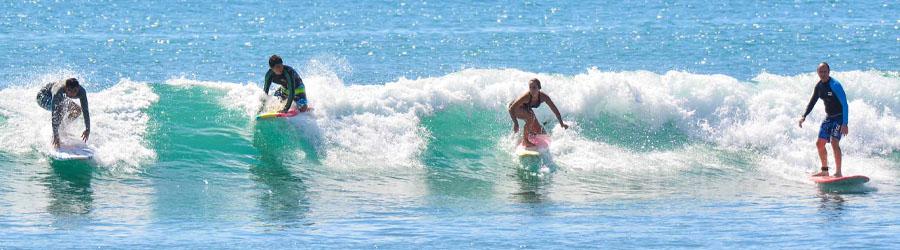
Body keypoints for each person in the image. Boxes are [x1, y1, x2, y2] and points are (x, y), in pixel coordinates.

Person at [798, 62, 849, 177]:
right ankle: (825, 170)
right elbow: (812, 102)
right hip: (829, 118)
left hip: (839, 117)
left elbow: (845, 105)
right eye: (821, 72)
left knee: (834, 142)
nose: (823, 74)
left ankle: (838, 172)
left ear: (829, 72)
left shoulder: (835, 85)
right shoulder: (819, 87)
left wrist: (845, 123)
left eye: (825, 71)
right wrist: (804, 116)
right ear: (817, 73)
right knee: (819, 143)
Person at [508, 78, 568, 147]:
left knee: (539, 130)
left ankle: (530, 133)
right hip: (515, 108)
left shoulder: (544, 97)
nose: (532, 90)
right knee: (531, 117)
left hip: (526, 109)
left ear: (539, 88)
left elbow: (554, 110)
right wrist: (515, 123)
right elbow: (511, 108)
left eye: (534, 87)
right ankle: (525, 141)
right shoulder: (526, 97)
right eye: (530, 87)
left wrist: (562, 123)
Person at [35, 78, 90, 149]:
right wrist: (55, 135)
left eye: (75, 91)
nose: (73, 93)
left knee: (77, 110)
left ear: (78, 88)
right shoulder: (58, 91)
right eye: (70, 91)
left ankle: (62, 128)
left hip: (58, 97)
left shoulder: (81, 92)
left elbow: (85, 110)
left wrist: (88, 129)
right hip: (43, 97)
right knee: (61, 107)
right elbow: (54, 114)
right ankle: (56, 134)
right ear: (66, 88)